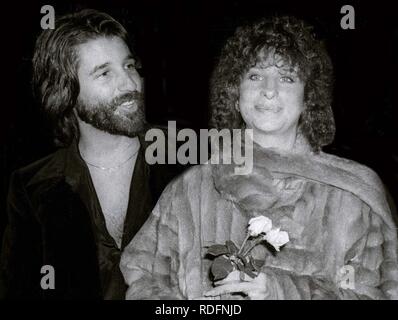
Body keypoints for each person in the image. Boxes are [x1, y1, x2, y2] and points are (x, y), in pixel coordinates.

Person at [120, 16, 398, 299]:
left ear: (308, 99)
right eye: (254, 75)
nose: (269, 90)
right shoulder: (191, 189)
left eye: (287, 77)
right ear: (235, 95)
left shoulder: (351, 197)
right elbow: (143, 278)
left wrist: (284, 292)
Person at [0, 9, 183, 299]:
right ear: (66, 92)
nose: (130, 84)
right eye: (105, 73)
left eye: (129, 66)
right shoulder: (31, 188)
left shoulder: (191, 159)